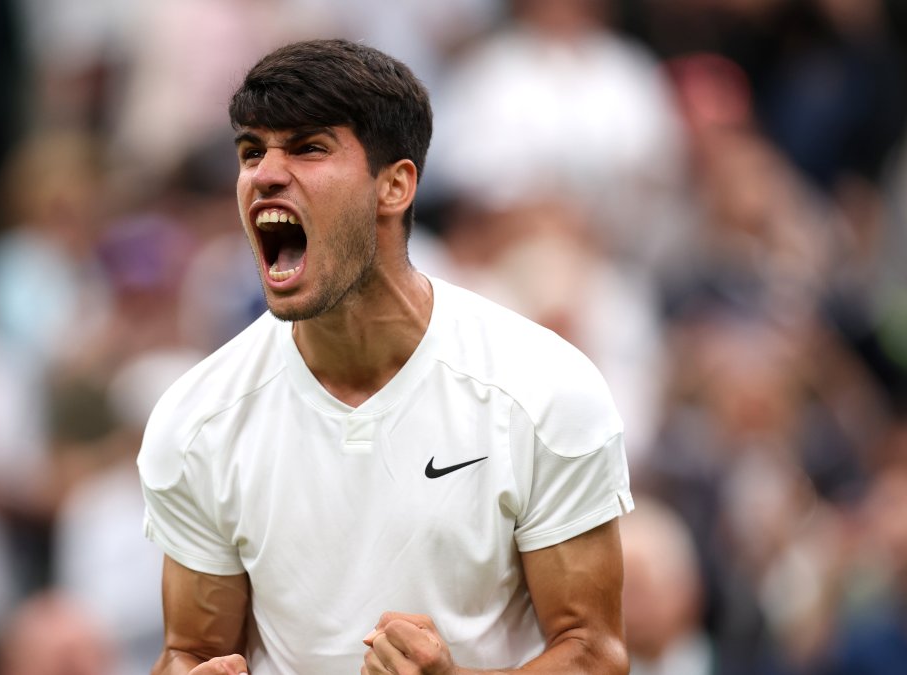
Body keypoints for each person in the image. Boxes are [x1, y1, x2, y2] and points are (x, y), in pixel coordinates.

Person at [137, 39, 633, 674]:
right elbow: (190, 651)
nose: (263, 173)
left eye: (308, 148)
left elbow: (595, 655)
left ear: (395, 185)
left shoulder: (546, 391)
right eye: (251, 151)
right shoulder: (196, 420)